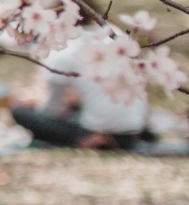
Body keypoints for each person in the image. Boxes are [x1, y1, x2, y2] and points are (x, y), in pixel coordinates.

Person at [13, 33, 151, 149]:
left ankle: (93, 139)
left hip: (97, 130)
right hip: (134, 129)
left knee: (20, 112)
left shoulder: (65, 53)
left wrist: (35, 102)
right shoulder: (114, 37)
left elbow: (51, 111)